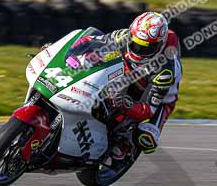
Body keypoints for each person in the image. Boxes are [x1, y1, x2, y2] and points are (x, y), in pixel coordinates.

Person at [71, 11, 183, 160]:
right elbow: (90, 41)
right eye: (135, 44)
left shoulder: (165, 70)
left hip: (158, 98)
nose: (138, 50)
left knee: (146, 137)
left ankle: (125, 144)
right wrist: (67, 52)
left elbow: (148, 109)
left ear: (160, 46)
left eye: (146, 48)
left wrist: (126, 104)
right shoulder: (123, 36)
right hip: (129, 74)